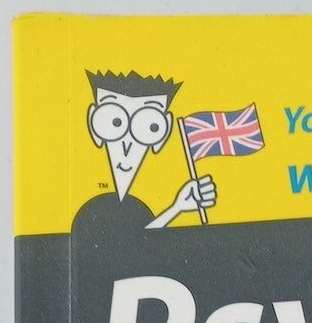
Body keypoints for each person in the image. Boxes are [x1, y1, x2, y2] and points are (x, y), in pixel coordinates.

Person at [80, 70, 215, 228]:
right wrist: (177, 208)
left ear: (166, 129)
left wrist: (178, 207)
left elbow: (138, 239)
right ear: (92, 119)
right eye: (115, 122)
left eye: (151, 126)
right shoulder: (93, 205)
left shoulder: (134, 205)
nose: (127, 146)